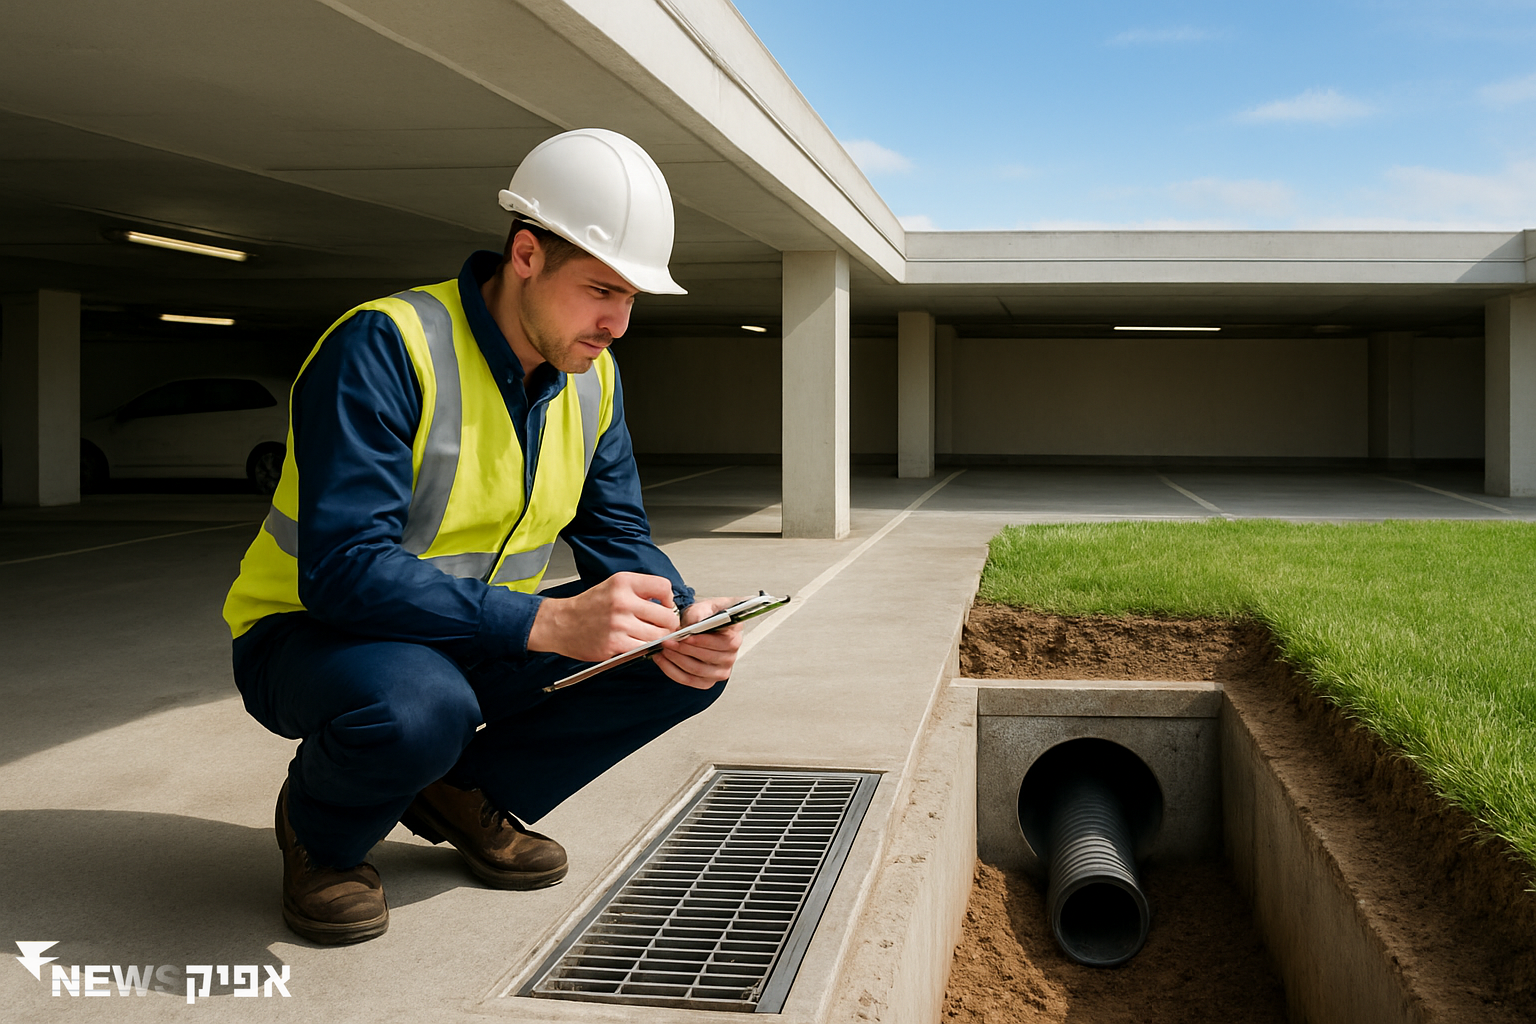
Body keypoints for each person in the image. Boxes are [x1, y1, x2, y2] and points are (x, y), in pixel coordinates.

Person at [222, 128, 743, 946]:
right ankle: (323, 839)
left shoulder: (591, 377)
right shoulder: (385, 347)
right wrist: (544, 622)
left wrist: (682, 616)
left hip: (462, 633)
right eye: (601, 289)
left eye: (633, 299)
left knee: (670, 660)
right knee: (421, 705)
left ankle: (453, 789)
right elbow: (342, 569)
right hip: (314, 636)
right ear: (526, 254)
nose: (617, 323)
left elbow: (619, 535)